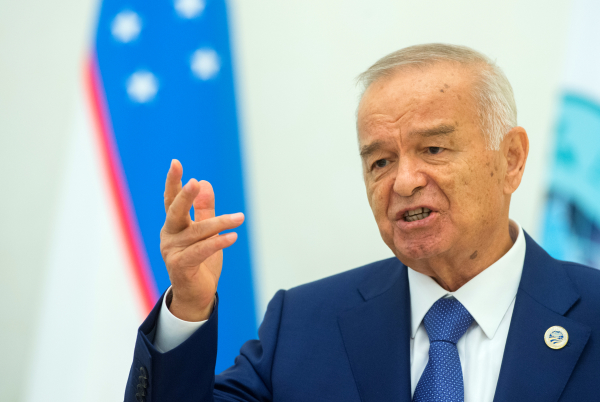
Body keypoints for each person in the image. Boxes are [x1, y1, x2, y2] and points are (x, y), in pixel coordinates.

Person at [125, 44, 600, 402]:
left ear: (511, 159)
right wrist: (189, 306)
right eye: (380, 162)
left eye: (433, 149)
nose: (404, 181)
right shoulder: (303, 324)